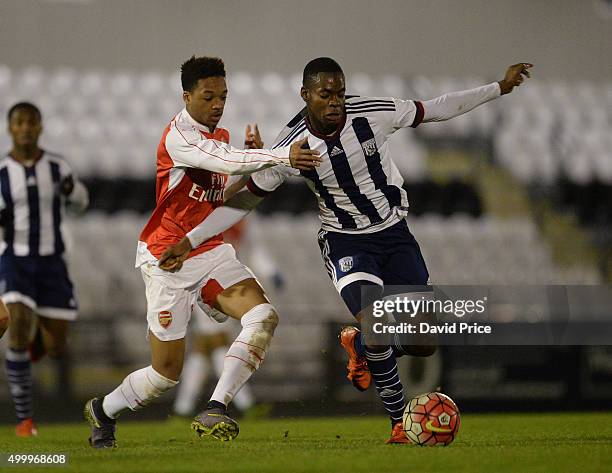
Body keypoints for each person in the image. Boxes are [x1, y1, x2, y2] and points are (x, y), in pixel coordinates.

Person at [159, 57, 533, 443]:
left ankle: (361, 346)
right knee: (377, 323)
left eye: (339, 92)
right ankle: (398, 425)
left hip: (395, 235)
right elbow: (245, 202)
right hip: (345, 242)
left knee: (423, 341)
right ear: (306, 95)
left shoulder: (372, 113)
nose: (336, 101)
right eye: (325, 94)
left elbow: (435, 108)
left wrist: (498, 88)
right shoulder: (292, 147)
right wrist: (191, 240)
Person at [83, 56, 320, 448]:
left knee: (263, 317)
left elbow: (216, 198)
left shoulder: (219, 137)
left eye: (223, 96)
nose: (217, 104)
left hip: (207, 250)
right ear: (186, 96)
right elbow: (221, 160)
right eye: (209, 96)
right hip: (168, 258)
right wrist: (278, 156)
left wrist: (248, 167)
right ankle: (103, 410)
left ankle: (217, 406)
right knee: (165, 373)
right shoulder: (179, 136)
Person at [1, 102, 89, 437]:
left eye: (31, 122)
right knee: (18, 322)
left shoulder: (56, 166)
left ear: (40, 127)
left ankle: (38, 337)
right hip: (15, 259)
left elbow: (81, 203)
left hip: (52, 263)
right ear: (10, 128)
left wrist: (73, 191)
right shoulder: (1, 174)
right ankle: (24, 419)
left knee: (55, 348)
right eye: (19, 122)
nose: (25, 128)